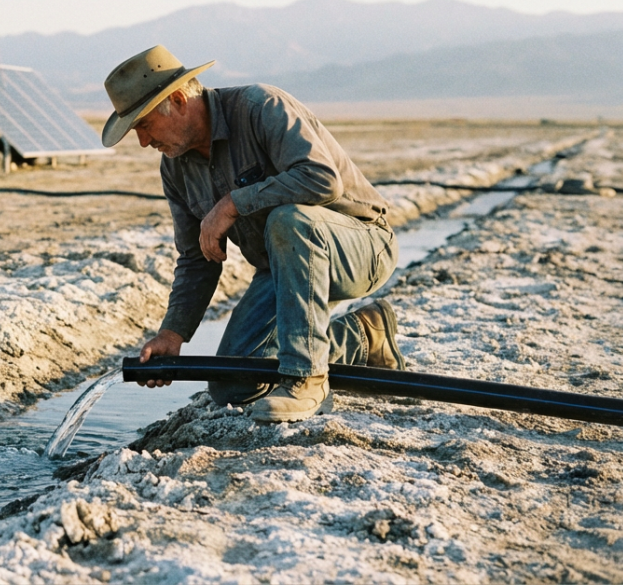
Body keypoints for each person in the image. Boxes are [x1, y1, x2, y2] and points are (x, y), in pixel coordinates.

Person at [101, 45, 406, 423]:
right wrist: (173, 333)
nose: (143, 142)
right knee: (232, 385)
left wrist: (231, 204)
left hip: (360, 246)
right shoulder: (175, 169)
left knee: (289, 220)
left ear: (178, 100)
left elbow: (324, 180)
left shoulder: (260, 107)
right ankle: (362, 335)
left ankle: (306, 380)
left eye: (143, 125)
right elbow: (197, 259)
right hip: (284, 270)